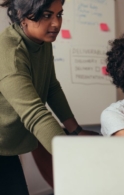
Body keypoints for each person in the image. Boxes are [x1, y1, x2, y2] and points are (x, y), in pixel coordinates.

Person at [0, 0, 97, 193]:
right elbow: (35, 114)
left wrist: (76, 131)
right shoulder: (11, 53)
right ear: (22, 16)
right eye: (46, 15)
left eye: (59, 14)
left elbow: (51, 87)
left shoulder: (41, 41)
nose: (56, 24)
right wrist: (72, 157)